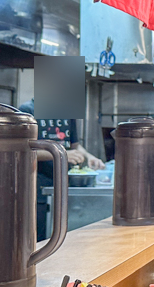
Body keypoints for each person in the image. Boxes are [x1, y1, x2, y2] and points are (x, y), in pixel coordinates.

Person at [18, 99, 104, 240]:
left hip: (64, 187)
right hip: (37, 189)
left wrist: (89, 157)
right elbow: (23, 150)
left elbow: (74, 146)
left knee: (63, 238)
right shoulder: (27, 110)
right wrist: (61, 153)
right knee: (38, 238)